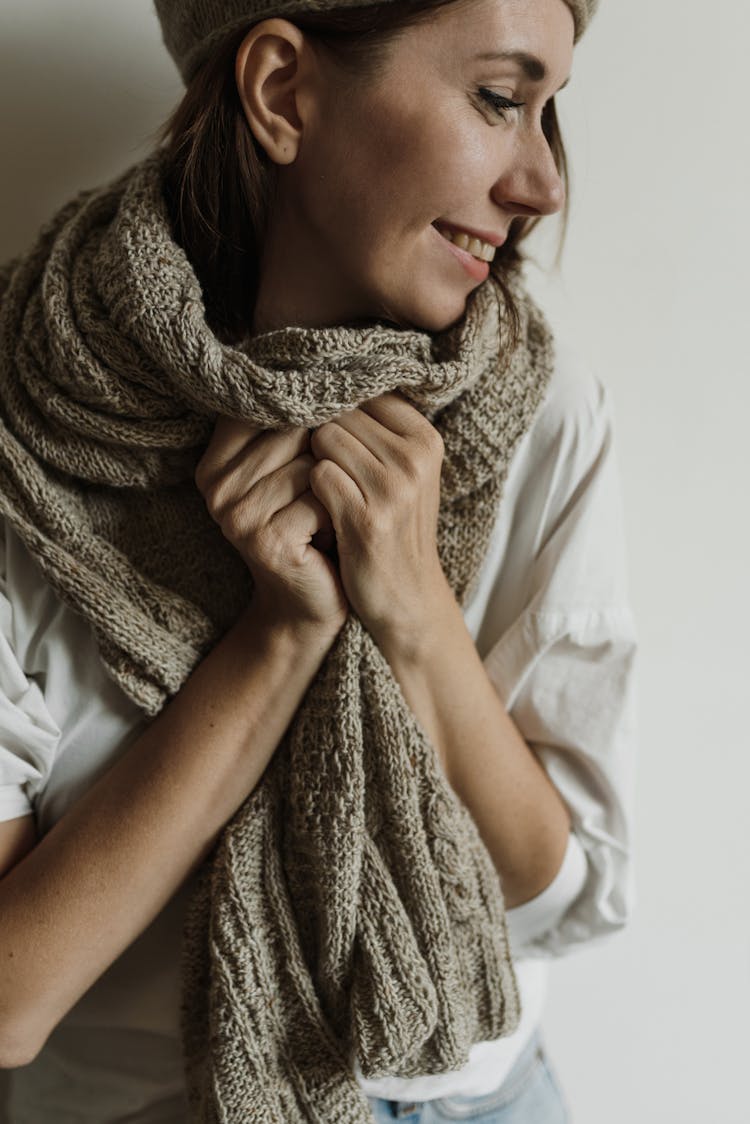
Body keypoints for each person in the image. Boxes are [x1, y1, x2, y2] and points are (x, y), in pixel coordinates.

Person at [0, 0, 637, 1120]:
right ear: (284, 89)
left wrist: (417, 613)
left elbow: (566, 898)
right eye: (499, 99)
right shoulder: (24, 428)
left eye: (551, 116)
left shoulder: (540, 412)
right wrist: (279, 635)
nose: (543, 183)